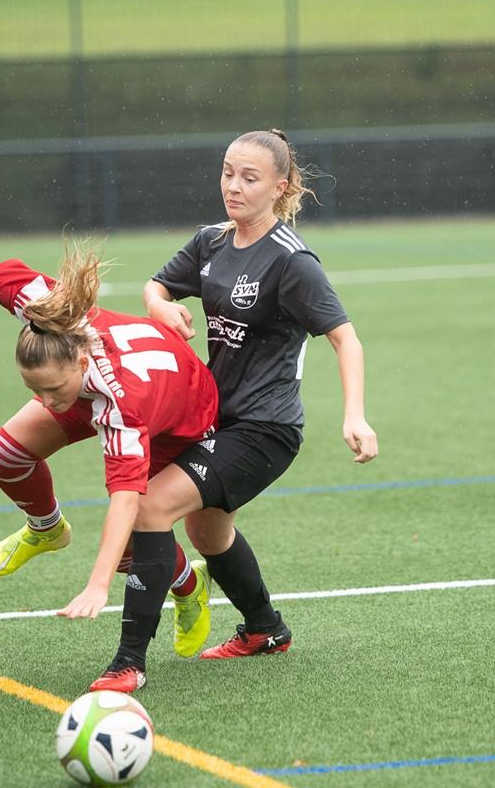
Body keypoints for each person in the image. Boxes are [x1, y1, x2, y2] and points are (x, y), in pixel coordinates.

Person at [88, 129, 378, 693]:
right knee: (207, 530)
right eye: (227, 173)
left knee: (149, 508)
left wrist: (355, 416)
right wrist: (161, 307)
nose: (234, 187)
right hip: (215, 418)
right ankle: (265, 630)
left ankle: (128, 662)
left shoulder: (293, 262)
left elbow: (347, 339)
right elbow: (156, 286)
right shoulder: (212, 241)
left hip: (266, 428)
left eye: (249, 178)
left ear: (280, 187)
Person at [0, 246, 218, 659]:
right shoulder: (48, 315)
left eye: (51, 390)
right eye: (35, 389)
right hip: (96, 387)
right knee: (6, 453)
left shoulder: (122, 407)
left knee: (132, 541)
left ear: (81, 363)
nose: (44, 400)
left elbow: (124, 501)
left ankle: (190, 586)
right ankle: (46, 528)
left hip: (178, 417)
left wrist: (98, 584)